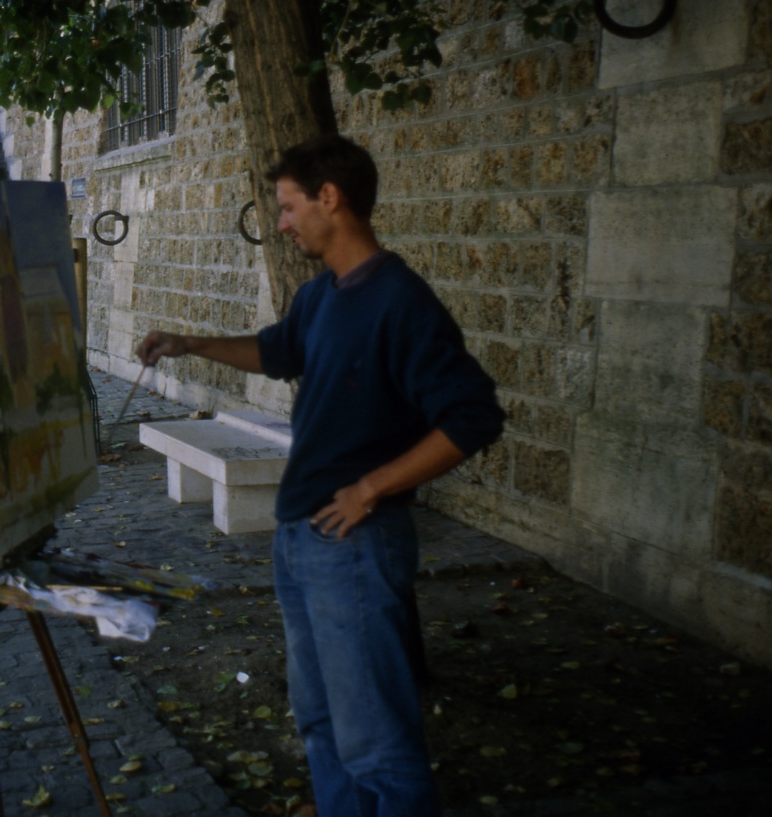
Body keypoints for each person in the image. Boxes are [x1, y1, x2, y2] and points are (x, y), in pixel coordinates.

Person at [136, 135, 503, 817]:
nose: (281, 223)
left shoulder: (400, 300)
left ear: (329, 199)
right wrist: (189, 342)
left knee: (377, 747)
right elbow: (277, 352)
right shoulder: (318, 298)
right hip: (299, 539)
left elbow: (473, 416)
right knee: (321, 724)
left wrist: (371, 488)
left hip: (355, 548)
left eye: (287, 206)